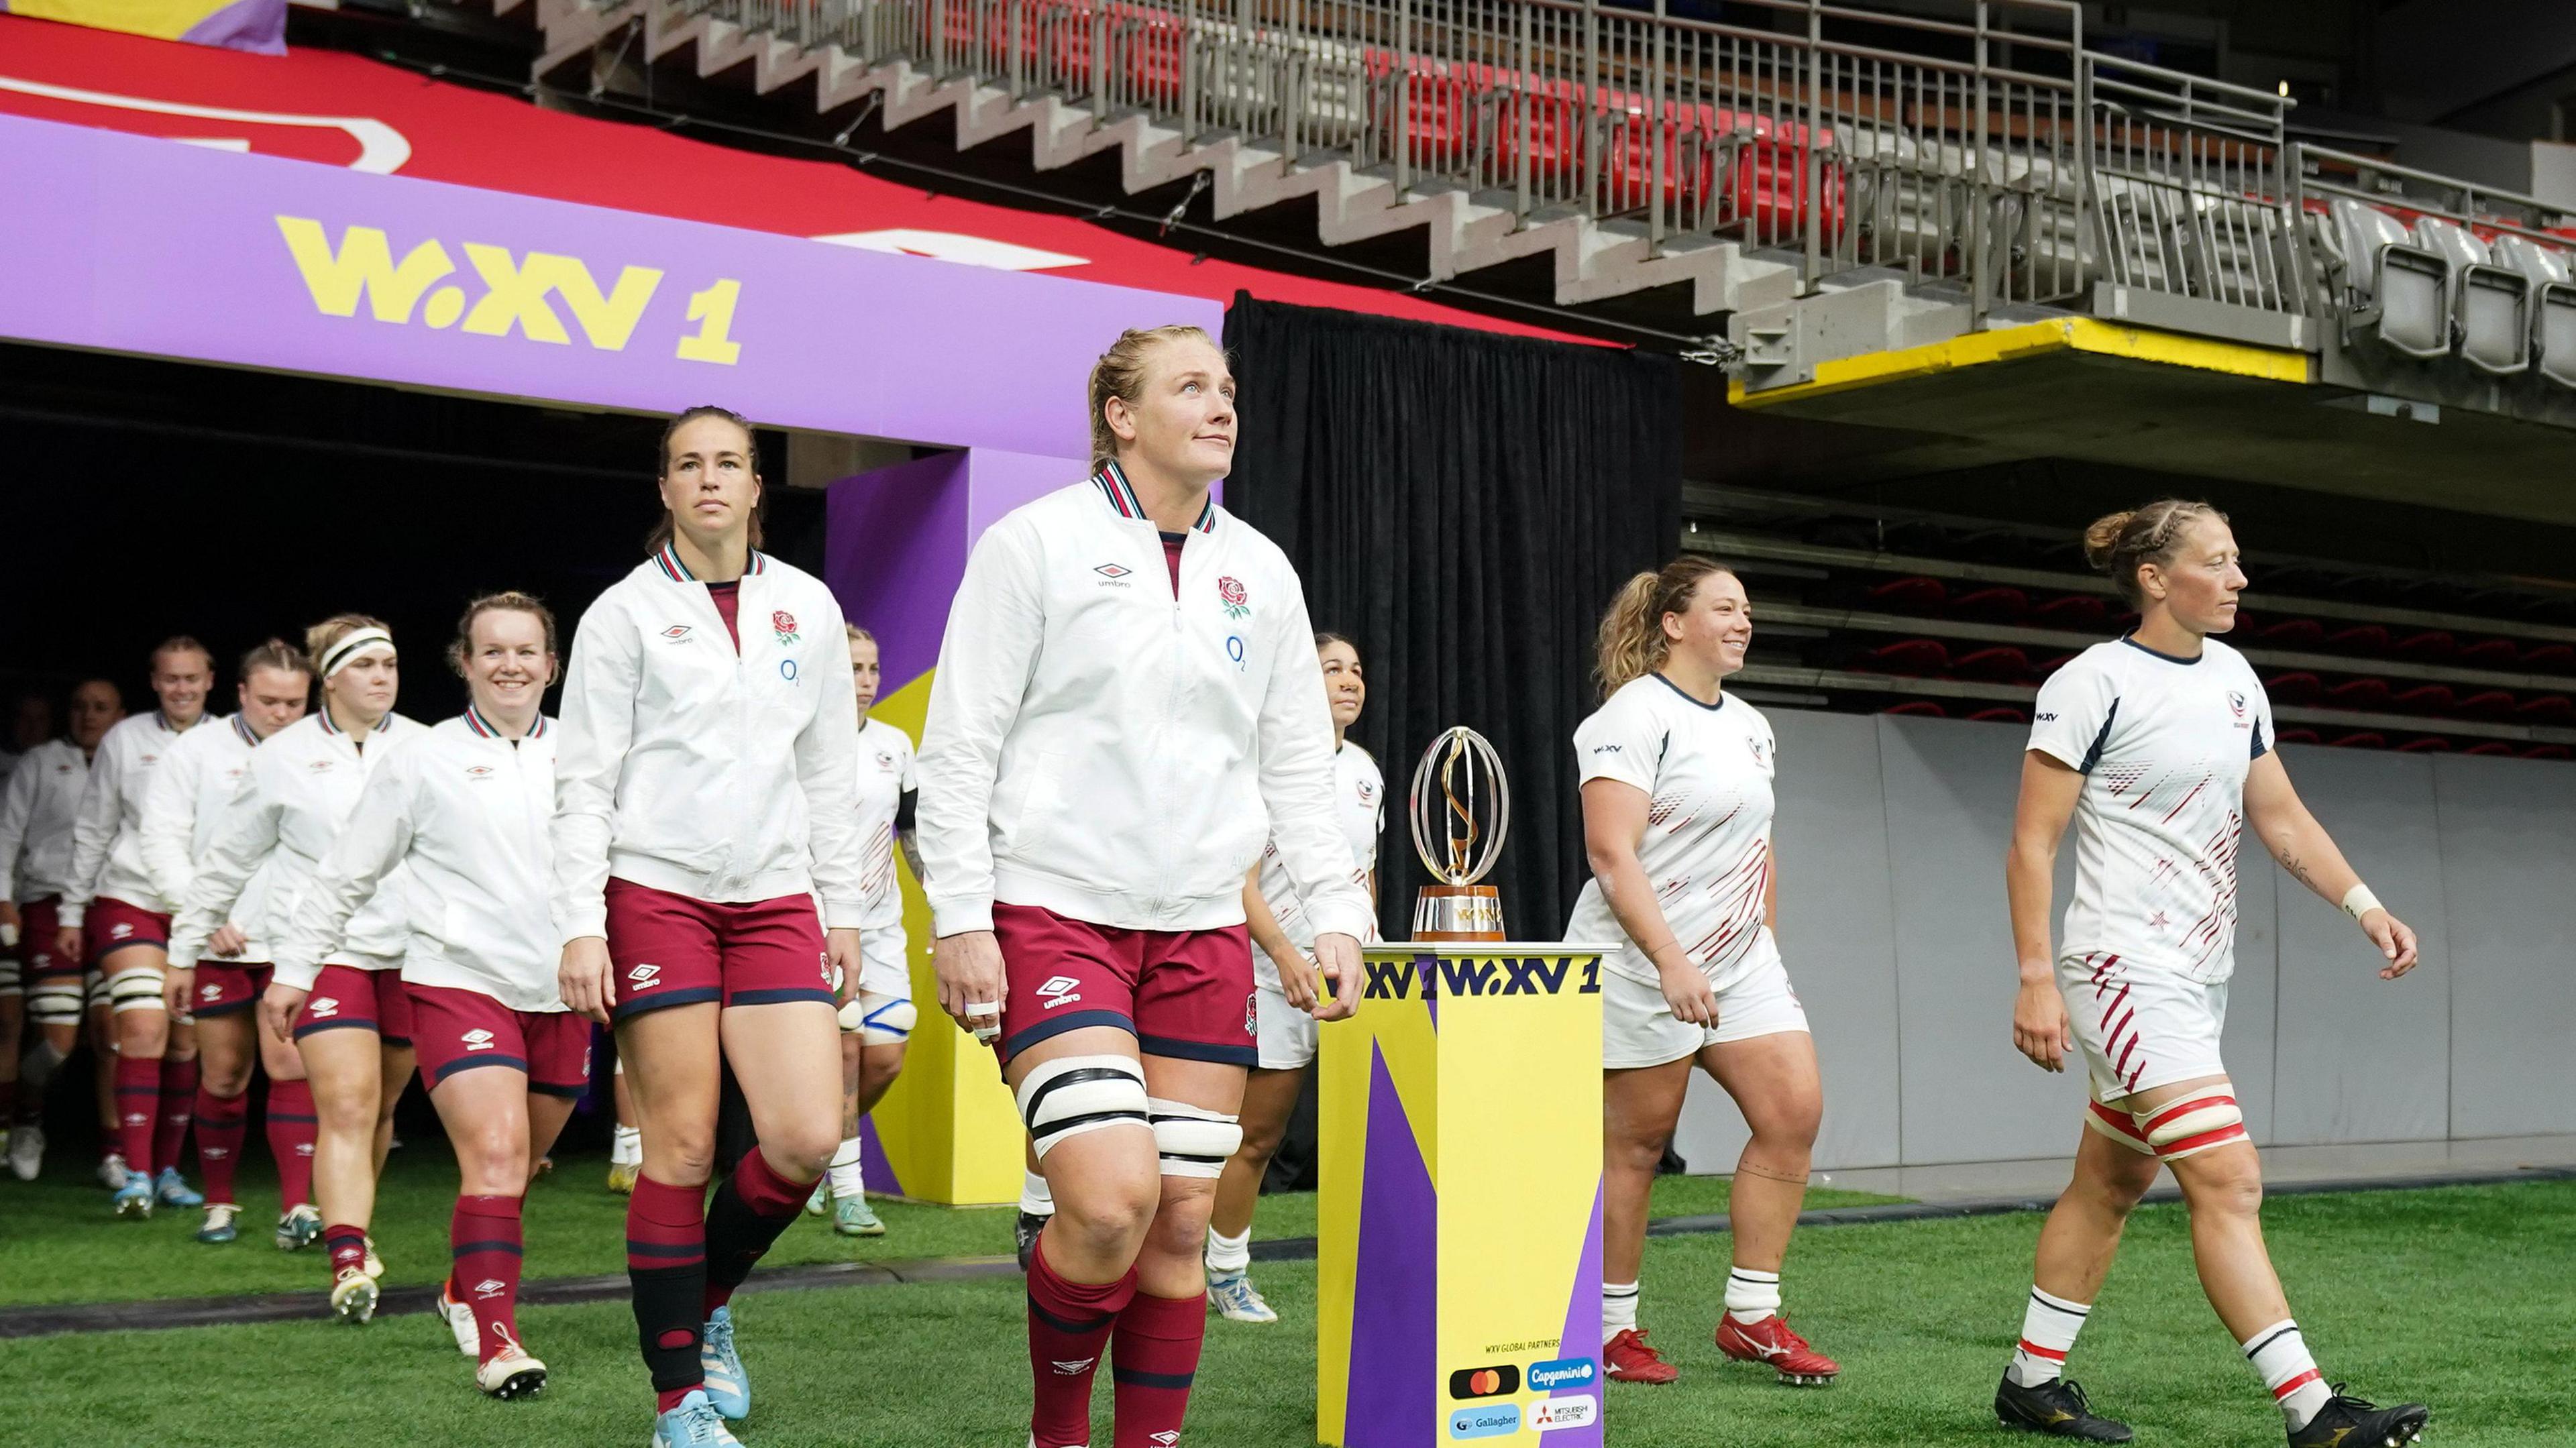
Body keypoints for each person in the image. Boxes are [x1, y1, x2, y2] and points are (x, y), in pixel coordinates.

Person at [916, 325, 1368, 1448]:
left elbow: (1298, 769)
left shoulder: (1261, 569)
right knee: (1110, 1195)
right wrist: (961, 919)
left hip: (1203, 929)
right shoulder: (1036, 544)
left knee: (1177, 1218)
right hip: (1053, 911)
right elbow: (960, 747)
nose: (1221, 405)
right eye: (1189, 387)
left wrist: (1338, 917)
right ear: (1120, 414)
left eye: (1225, 387)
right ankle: (1058, 1430)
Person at [1994, 500, 2430, 1447]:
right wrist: (2036, 975)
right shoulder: (2091, 682)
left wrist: (2366, 905)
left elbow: (2279, 816)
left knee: (2108, 1181)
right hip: (2121, 964)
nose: (2239, 579)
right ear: (2155, 577)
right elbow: (2033, 840)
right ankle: (2311, 1408)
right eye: (2219, 561)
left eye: (2237, 561)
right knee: (2229, 1179)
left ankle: (2031, 1380)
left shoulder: (2236, 679)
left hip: (2198, 973)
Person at [552, 406, 865, 1448]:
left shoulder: (808, 607)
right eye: (689, 464)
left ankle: (707, 1295)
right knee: (681, 1144)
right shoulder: (623, 614)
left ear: (757, 483)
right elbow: (584, 779)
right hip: (657, 892)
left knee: (809, 1134)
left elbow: (830, 771)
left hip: (776, 898)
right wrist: (582, 923)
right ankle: (676, 1398)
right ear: (666, 489)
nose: (710, 479)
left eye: (728, 461)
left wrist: (845, 908)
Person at [285, 594, 570, 1398]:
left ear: (552, 665)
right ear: (465, 663)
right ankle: (497, 1337)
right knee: (498, 1153)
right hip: (457, 979)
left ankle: (459, 1288)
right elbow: (348, 871)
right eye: (492, 650)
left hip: (564, 992)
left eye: (526, 650)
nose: (510, 663)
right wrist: (295, 970)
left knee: (522, 1165)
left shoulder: (592, 752)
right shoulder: (422, 756)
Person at [1568, 557, 1837, 1388]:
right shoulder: (1630, 717)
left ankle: (1752, 1315)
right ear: (1674, 623)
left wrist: (1766, 942)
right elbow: (1611, 852)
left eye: (1747, 609)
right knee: (1637, 1145)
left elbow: (1759, 844)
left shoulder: (1753, 723)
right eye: (1725, 607)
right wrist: (1672, 958)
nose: (1743, 620)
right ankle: (1612, 1328)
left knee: (1794, 1109)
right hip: (1641, 961)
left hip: (1740, 957)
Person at [174, 615, 425, 1323]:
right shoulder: (281, 756)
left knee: (381, 1106)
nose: (383, 676)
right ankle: (345, 1253)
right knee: (346, 1101)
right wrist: (182, 946)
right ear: (332, 677)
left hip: (413, 950)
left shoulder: (427, 746)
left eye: (392, 663)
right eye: (367, 663)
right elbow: (229, 856)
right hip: (323, 950)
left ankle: (356, 1224)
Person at [1203, 631, 1382, 1324]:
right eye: (1331, 667)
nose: (1349, 679)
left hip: (1347, 978)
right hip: (1269, 972)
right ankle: (1225, 1270)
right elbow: (1238, 880)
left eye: (1357, 668)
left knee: (1369, 1135)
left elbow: (1360, 878)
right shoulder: (1261, 765)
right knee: (1253, 1135)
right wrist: (1283, 953)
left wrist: (1372, 950)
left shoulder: (1365, 771)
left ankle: (1376, 1271)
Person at [144, 641, 314, 1244]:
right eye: (269, 701)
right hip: (223, 941)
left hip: (297, 940)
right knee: (223, 1076)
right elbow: (163, 840)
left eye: (295, 702)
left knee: (291, 1063)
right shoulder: (195, 752)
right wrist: (200, 912)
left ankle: (298, 1206)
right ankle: (220, 1202)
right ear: (241, 694)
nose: (282, 713)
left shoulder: (326, 752)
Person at [61, 638, 219, 1219]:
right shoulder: (125, 738)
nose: (181, 688)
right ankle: (135, 1172)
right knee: (145, 1027)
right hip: (128, 897)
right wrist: (72, 912)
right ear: (154, 681)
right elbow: (94, 826)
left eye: (191, 678)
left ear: (210, 680)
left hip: (199, 910)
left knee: (185, 1040)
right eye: (170, 678)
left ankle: (170, 1170)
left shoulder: (228, 739)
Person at [806, 624, 921, 1238]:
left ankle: (818, 1155)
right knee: (845, 1051)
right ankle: (850, 1193)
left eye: (873, 668)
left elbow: (912, 834)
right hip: (821, 925)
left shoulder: (896, 746)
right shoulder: (802, 741)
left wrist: (949, 907)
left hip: (882, 929)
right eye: (853, 668)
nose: (866, 681)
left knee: (887, 1053)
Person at [0, 679, 121, 1181]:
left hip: (113, 903)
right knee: (58, 1039)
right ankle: (28, 1118)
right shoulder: (42, 760)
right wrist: (4, 899)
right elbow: (7, 830)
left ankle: (117, 1152)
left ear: (120, 714)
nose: (88, 715)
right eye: (78, 705)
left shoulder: (131, 758)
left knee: (115, 1035)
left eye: (100, 707)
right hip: (48, 903)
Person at [0, 693, 58, 1166]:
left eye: (41, 716)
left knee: (52, 1032)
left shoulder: (59, 765)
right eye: (25, 714)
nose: (32, 724)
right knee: (7, 1021)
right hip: (8, 909)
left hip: (42, 909)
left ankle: (27, 1120)